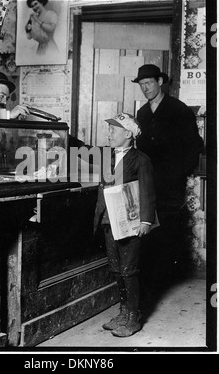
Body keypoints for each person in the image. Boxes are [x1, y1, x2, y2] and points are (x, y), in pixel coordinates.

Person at [70, 113, 156, 337]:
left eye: (113, 130)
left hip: (130, 224)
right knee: (116, 269)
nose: (109, 134)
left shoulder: (141, 159)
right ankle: (123, 312)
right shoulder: (107, 154)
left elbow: (147, 191)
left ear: (128, 134)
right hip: (108, 220)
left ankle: (133, 317)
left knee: (129, 270)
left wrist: (145, 220)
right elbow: (83, 149)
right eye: (108, 130)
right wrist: (61, 133)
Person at [132, 64, 204, 289]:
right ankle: (152, 279)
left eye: (149, 83)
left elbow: (195, 145)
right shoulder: (142, 113)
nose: (145, 88)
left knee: (168, 228)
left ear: (160, 82)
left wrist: (179, 172)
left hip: (171, 182)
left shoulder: (178, 109)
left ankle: (165, 280)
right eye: (142, 85)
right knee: (148, 227)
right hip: (148, 181)